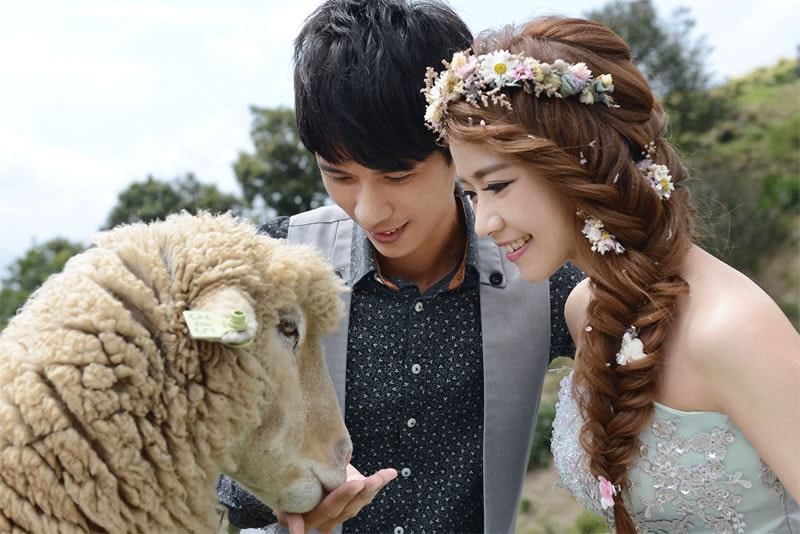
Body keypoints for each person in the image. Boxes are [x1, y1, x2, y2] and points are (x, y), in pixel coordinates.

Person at [422, 15, 800, 532]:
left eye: (499, 185)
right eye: (470, 193)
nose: (484, 223)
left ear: (581, 162)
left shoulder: (732, 329)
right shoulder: (585, 310)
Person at [216, 1, 584, 533]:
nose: (369, 211)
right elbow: (207, 459)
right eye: (339, 175)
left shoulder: (538, 272)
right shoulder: (271, 264)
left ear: (457, 145)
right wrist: (283, 488)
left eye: (396, 176)